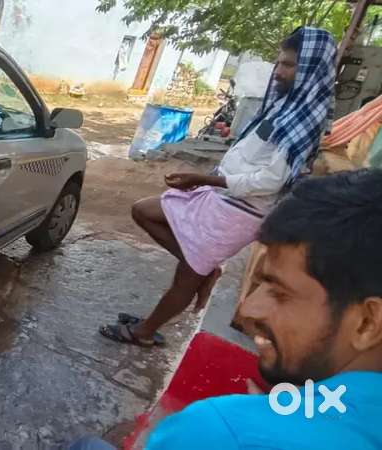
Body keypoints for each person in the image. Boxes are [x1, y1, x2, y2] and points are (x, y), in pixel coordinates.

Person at [72, 169, 382, 450]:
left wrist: (257, 424)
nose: (249, 309)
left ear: (368, 323)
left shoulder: (220, 431)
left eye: (280, 293)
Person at [100, 27, 338, 346]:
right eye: (279, 63)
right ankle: (204, 269)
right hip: (220, 197)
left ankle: (144, 332)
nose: (279, 72)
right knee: (144, 211)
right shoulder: (283, 107)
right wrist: (210, 181)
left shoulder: (304, 121)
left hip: (238, 211)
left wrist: (204, 179)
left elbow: (271, 181)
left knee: (184, 280)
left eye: (289, 65)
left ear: (310, 70)